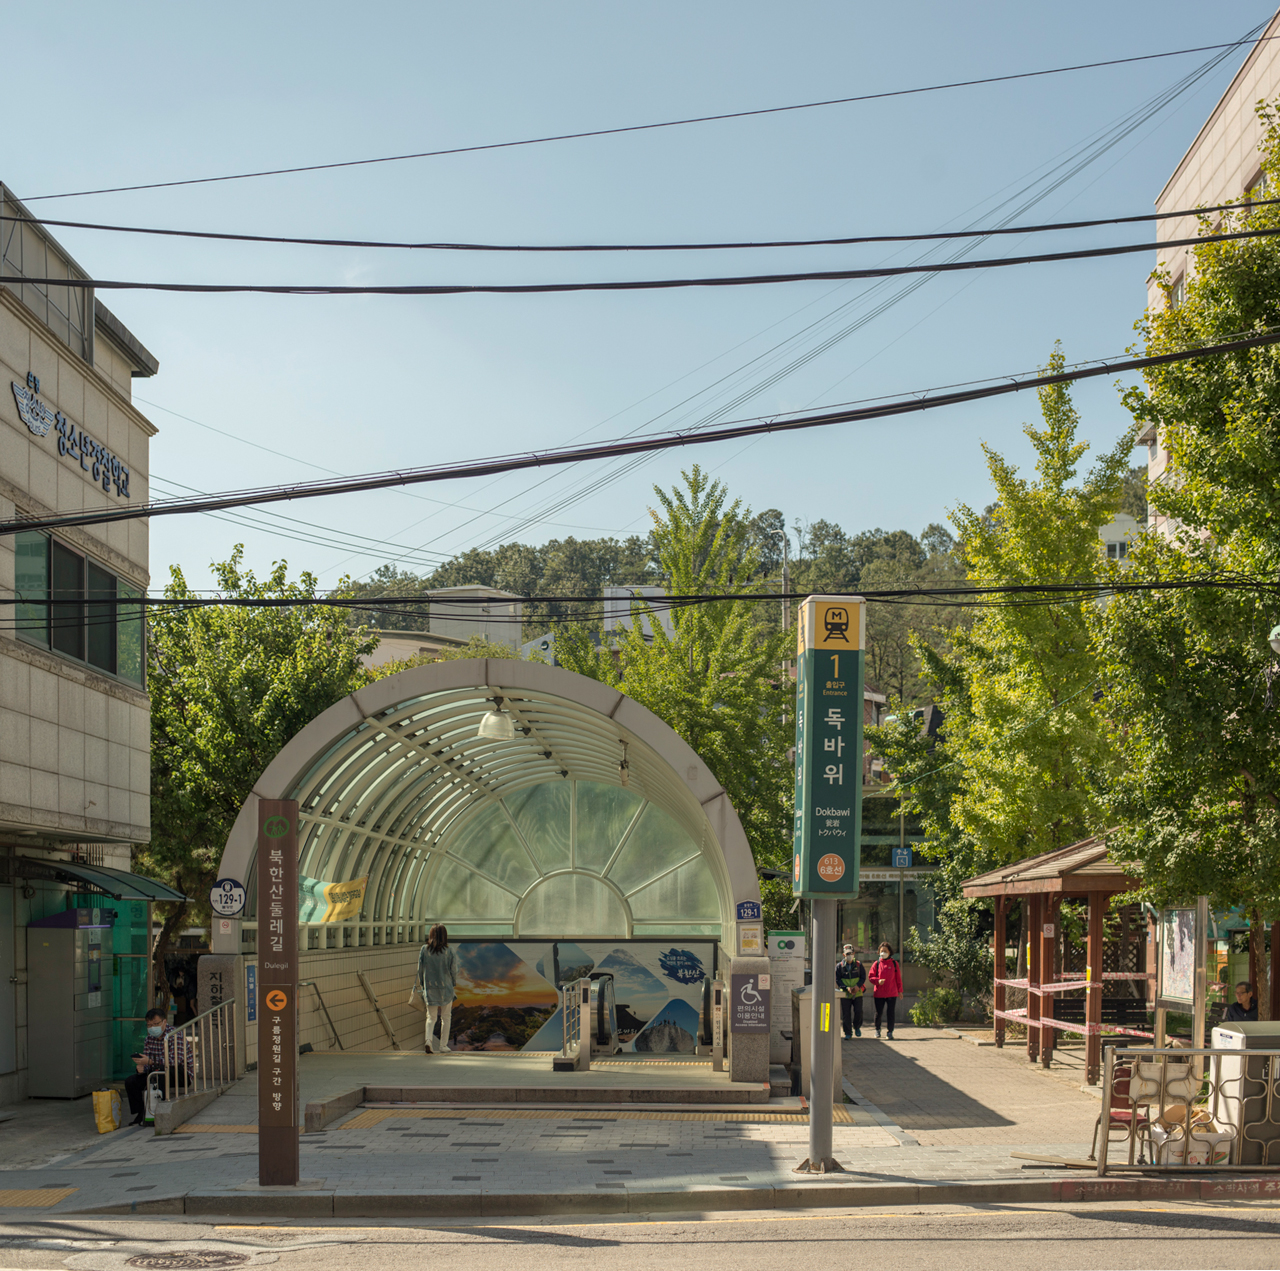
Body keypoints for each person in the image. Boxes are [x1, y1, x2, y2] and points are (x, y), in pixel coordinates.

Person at [124, 1008, 192, 1126]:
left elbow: (173, 1061)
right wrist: (141, 1067)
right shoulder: (149, 1039)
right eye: (149, 1025)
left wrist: (149, 1062)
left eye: (156, 1024)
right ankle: (141, 1113)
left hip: (179, 1073)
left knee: (161, 1071)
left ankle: (162, 1112)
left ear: (164, 1022)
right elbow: (148, 1064)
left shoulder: (175, 1035)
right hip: (156, 1071)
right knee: (131, 1081)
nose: (152, 1028)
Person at [418, 923, 458, 1053]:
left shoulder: (424, 950)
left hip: (430, 988)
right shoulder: (449, 951)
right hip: (445, 989)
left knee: (431, 1017)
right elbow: (454, 970)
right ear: (445, 936)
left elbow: (420, 970)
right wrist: (453, 983)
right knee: (446, 1017)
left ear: (431, 935)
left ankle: (428, 1041)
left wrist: (423, 985)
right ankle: (443, 1046)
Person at [868, 941, 903, 1040]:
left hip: (892, 993)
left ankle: (890, 1032)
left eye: (885, 951)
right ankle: (877, 1029)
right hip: (879, 993)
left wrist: (900, 991)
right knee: (879, 1012)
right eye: (881, 951)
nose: (883, 953)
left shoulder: (894, 964)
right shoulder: (877, 964)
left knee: (890, 1013)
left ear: (889, 952)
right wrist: (878, 981)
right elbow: (870, 977)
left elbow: (898, 979)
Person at [837, 944, 866, 1038]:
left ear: (854, 953)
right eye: (847, 954)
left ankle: (857, 1027)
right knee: (846, 1014)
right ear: (843, 955)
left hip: (857, 993)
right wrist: (846, 988)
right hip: (845, 994)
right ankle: (848, 1033)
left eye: (851, 953)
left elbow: (863, 977)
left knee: (858, 1011)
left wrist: (857, 986)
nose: (849, 955)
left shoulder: (859, 965)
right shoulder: (839, 966)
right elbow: (838, 980)